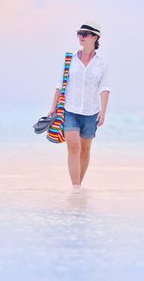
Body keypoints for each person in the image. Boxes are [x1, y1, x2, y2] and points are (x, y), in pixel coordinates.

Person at [48, 21, 110, 188]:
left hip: (91, 112)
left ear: (95, 37)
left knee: (85, 150)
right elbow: (59, 85)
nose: (80, 37)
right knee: (73, 147)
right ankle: (75, 187)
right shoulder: (70, 60)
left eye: (85, 34)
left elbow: (104, 89)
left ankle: (78, 187)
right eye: (79, 33)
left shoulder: (102, 64)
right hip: (70, 110)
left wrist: (103, 112)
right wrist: (52, 108)